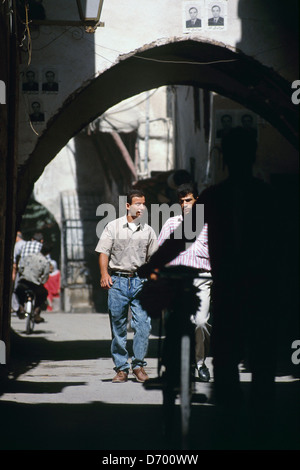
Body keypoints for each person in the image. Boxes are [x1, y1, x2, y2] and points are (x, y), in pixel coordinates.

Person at [138, 127, 278, 406]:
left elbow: (181, 238)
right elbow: (182, 237)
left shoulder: (218, 196)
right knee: (248, 358)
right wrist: (153, 263)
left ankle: (238, 419)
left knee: (237, 357)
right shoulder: (262, 196)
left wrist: (151, 265)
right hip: (250, 289)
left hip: (241, 288)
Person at [95, 189, 158, 383]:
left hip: (140, 282)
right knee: (118, 326)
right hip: (118, 282)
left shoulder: (148, 230)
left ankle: (138, 365)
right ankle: (122, 368)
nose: (141, 207)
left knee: (143, 326)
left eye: (143, 203)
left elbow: (153, 259)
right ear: (128, 206)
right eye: (137, 203)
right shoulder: (112, 227)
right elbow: (103, 252)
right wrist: (105, 274)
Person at [157, 183, 212, 382]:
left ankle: (200, 362)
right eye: (181, 201)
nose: (185, 204)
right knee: (175, 322)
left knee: (200, 322)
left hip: (202, 279)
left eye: (188, 200)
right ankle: (173, 362)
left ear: (196, 200)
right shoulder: (172, 224)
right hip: (176, 280)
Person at [15, 241, 52, 323]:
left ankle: (21, 307)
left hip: (23, 282)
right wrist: (41, 281)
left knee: (18, 291)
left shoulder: (29, 256)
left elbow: (21, 268)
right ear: (48, 253)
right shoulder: (45, 262)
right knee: (43, 293)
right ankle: (36, 311)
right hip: (35, 285)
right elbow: (45, 276)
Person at [11, 231, 26, 314]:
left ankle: (16, 308)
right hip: (28, 270)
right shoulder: (26, 243)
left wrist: (13, 273)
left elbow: (14, 262)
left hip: (20, 270)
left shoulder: (17, 245)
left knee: (16, 289)